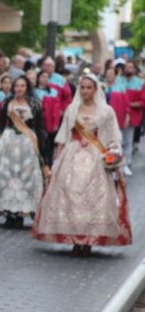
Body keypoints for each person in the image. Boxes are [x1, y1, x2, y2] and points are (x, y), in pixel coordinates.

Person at [32, 75, 131, 256]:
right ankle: (75, 239)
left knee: (93, 196)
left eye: (88, 87)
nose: (85, 91)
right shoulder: (72, 109)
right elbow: (63, 137)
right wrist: (57, 161)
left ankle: (89, 240)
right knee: (69, 194)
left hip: (95, 157)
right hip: (73, 154)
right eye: (82, 87)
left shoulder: (106, 111)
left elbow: (112, 137)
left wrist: (113, 155)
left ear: (95, 89)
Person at [0, 75, 44, 228]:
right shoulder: (7, 102)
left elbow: (39, 125)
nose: (19, 89)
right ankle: (8, 211)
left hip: (27, 143)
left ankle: (21, 211)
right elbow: (1, 122)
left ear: (27, 87)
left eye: (22, 86)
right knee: (5, 174)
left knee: (25, 175)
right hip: (8, 142)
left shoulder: (34, 103)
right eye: (17, 86)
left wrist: (41, 146)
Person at [112, 60, 144, 176]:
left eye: (131, 67)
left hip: (132, 117)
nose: (129, 69)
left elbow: (142, 101)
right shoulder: (118, 80)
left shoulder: (140, 83)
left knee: (128, 141)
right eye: (127, 67)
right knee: (116, 141)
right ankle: (116, 165)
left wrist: (128, 105)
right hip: (117, 115)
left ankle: (126, 164)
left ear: (135, 70)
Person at [36, 70, 61, 165]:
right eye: (43, 77)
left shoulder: (53, 92)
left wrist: (55, 123)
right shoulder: (34, 92)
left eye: (47, 77)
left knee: (48, 147)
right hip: (38, 124)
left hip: (49, 124)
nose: (45, 79)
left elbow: (56, 109)